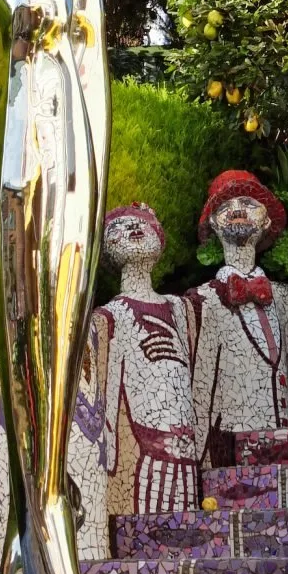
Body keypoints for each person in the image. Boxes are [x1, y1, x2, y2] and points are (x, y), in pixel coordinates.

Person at [78, 204, 201, 544]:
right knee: (149, 523)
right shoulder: (109, 316)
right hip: (143, 443)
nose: (133, 229)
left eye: (141, 224)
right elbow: (110, 381)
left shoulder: (180, 309)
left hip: (186, 442)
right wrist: (112, 449)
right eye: (119, 228)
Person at [189, 170, 288, 461]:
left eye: (248, 203)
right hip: (232, 452)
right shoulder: (204, 300)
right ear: (213, 223)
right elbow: (200, 390)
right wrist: (198, 461)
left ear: (266, 220)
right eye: (224, 207)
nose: (237, 209)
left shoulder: (287, 298)